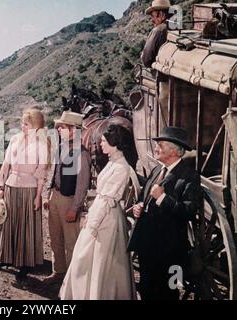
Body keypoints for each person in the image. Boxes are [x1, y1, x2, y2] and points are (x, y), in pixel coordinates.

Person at [59, 124, 138, 300]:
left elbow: (106, 200)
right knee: (86, 260)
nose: (100, 144)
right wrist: (90, 215)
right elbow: (101, 197)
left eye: (103, 141)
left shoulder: (121, 168)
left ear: (114, 142)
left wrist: (92, 225)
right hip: (100, 213)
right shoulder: (113, 162)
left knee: (96, 261)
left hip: (107, 221)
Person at [128, 127, 201, 300]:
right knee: (146, 289)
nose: (156, 148)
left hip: (171, 251)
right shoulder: (156, 171)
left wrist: (162, 198)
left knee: (169, 292)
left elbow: (189, 212)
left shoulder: (190, 177)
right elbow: (142, 197)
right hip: (147, 246)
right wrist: (139, 206)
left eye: (160, 145)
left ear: (175, 151)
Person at [0, 108, 50, 280]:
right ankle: (5, 258)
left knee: (26, 225)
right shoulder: (16, 139)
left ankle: (25, 263)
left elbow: (41, 172)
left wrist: (38, 196)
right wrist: (2, 186)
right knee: (7, 222)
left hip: (30, 189)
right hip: (11, 185)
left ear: (37, 127)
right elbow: (6, 163)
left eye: (27, 124)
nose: (23, 127)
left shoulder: (42, 143)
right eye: (23, 124)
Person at [42, 111, 91, 284]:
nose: (58, 129)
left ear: (73, 130)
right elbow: (55, 174)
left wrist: (75, 207)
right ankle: (58, 272)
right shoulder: (61, 147)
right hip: (55, 197)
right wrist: (48, 195)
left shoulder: (82, 154)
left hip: (69, 201)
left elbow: (82, 184)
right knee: (55, 239)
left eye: (62, 127)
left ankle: (71, 279)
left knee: (71, 242)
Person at [142, 0, 171, 122]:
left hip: (163, 80)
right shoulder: (178, 27)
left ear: (162, 15)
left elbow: (146, 59)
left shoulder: (158, 30)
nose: (151, 20)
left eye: (153, 16)